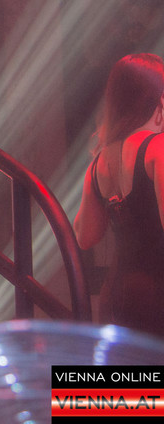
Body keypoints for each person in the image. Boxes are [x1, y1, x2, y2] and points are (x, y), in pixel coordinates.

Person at [75, 53, 164, 336]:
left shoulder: (98, 162)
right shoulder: (158, 148)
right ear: (159, 100)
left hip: (115, 297)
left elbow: (85, 236)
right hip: (157, 297)